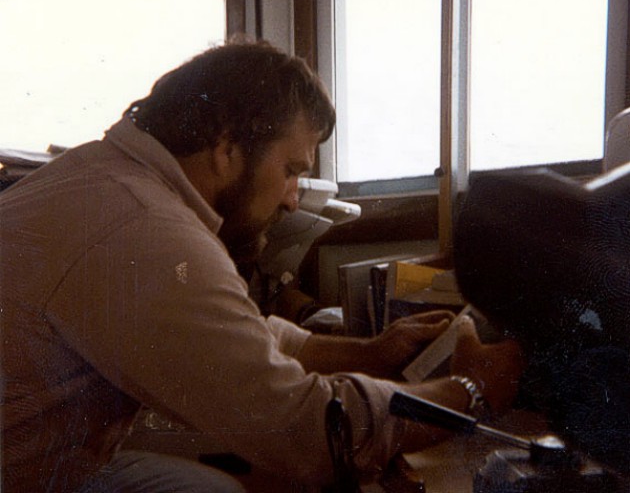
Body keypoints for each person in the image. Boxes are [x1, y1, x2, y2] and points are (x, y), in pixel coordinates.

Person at [0, 40, 523, 493]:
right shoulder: (146, 232)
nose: (293, 198)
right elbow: (309, 434)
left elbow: (224, 333)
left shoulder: (107, 176)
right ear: (228, 147)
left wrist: (369, 353)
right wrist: (469, 391)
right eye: (291, 169)